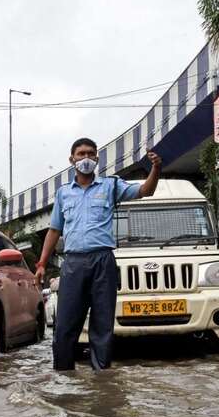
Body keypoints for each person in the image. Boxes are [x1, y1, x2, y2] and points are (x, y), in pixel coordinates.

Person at [35, 137, 162, 371]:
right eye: (80, 154)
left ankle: (102, 381)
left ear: (97, 158)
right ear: (71, 159)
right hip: (73, 263)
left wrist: (156, 168)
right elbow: (54, 230)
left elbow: (145, 190)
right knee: (64, 326)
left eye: (90, 154)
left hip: (103, 261)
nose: (85, 158)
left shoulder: (111, 186)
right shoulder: (63, 194)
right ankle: (63, 380)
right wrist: (42, 262)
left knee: (102, 327)